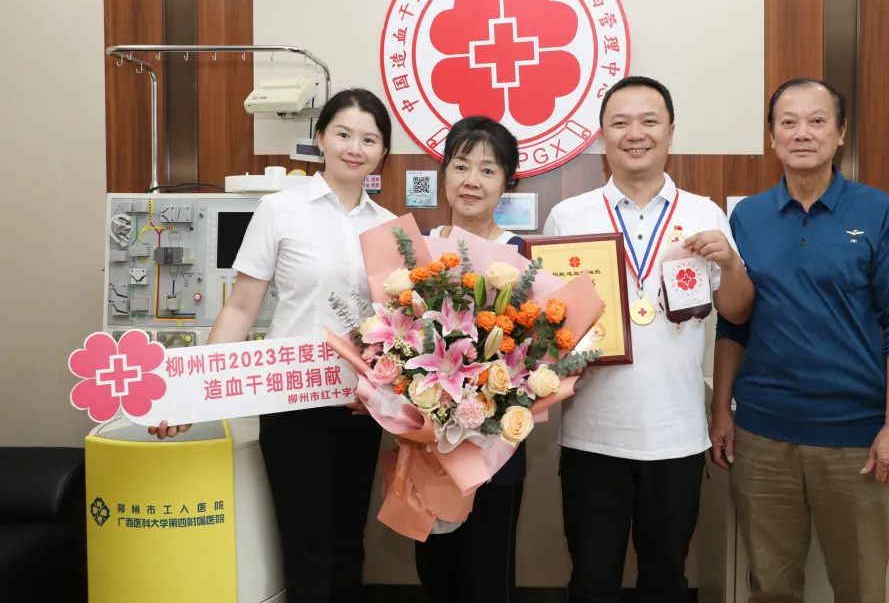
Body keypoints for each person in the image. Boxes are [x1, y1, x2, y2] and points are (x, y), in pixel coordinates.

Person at [150, 88, 398, 603]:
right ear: (320, 139)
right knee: (306, 544)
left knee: (349, 540)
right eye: (343, 134)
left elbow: (396, 327)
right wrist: (188, 393)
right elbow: (241, 308)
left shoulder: (389, 227)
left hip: (360, 404)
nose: (355, 148)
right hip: (291, 401)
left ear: (382, 152)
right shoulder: (280, 210)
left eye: (369, 139)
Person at [542, 76, 754, 603]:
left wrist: (731, 264)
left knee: (666, 581)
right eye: (620, 123)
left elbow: (737, 310)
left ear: (671, 132)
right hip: (592, 435)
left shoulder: (705, 214)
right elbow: (548, 325)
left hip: (676, 435)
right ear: (602, 137)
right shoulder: (570, 216)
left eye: (649, 121)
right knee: (591, 582)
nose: (635, 134)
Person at [712, 78, 889, 603]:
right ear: (771, 136)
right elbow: (733, 323)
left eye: (817, 121)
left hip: (853, 439)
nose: (801, 133)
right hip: (763, 435)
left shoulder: (878, 212)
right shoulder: (747, 216)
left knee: (861, 586)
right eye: (788, 122)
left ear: (841, 132)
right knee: (770, 586)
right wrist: (721, 413)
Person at [415, 116, 526, 603]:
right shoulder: (419, 249)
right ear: (444, 174)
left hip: (494, 446)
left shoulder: (518, 254)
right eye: (460, 166)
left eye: (487, 170)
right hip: (429, 442)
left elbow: (531, 357)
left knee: (487, 574)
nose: (471, 180)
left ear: (507, 182)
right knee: (435, 570)